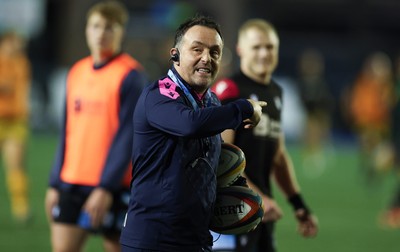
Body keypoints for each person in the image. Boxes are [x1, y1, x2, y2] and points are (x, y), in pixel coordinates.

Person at [119, 15, 266, 252]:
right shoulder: (157, 95)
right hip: (153, 241)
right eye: (197, 49)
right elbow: (189, 125)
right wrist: (244, 108)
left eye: (215, 52)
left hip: (197, 240)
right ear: (175, 54)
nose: (206, 58)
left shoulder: (212, 103)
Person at [44, 1, 147, 251]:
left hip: (113, 187)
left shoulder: (131, 75)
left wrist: (105, 187)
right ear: (87, 30)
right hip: (71, 183)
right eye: (96, 26)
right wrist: (55, 182)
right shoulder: (76, 72)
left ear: (121, 31)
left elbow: (127, 137)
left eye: (109, 27)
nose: (101, 33)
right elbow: (67, 131)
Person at [211, 19, 318, 252]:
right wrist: (256, 198)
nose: (263, 53)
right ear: (240, 49)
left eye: (269, 47)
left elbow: (278, 156)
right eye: (256, 47)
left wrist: (298, 204)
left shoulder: (276, 93)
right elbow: (220, 156)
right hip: (231, 209)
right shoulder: (230, 89)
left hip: (261, 210)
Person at [0, 30, 32, 224]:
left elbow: (21, 89)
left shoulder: (22, 62)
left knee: (16, 166)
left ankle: (21, 209)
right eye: (15, 42)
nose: (19, 47)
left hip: (16, 120)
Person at [296, 48, 334, 177]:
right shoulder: (304, 82)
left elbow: (325, 101)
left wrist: (322, 116)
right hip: (309, 114)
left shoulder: (319, 83)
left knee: (319, 135)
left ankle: (320, 157)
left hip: (319, 114)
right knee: (307, 136)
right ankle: (310, 159)